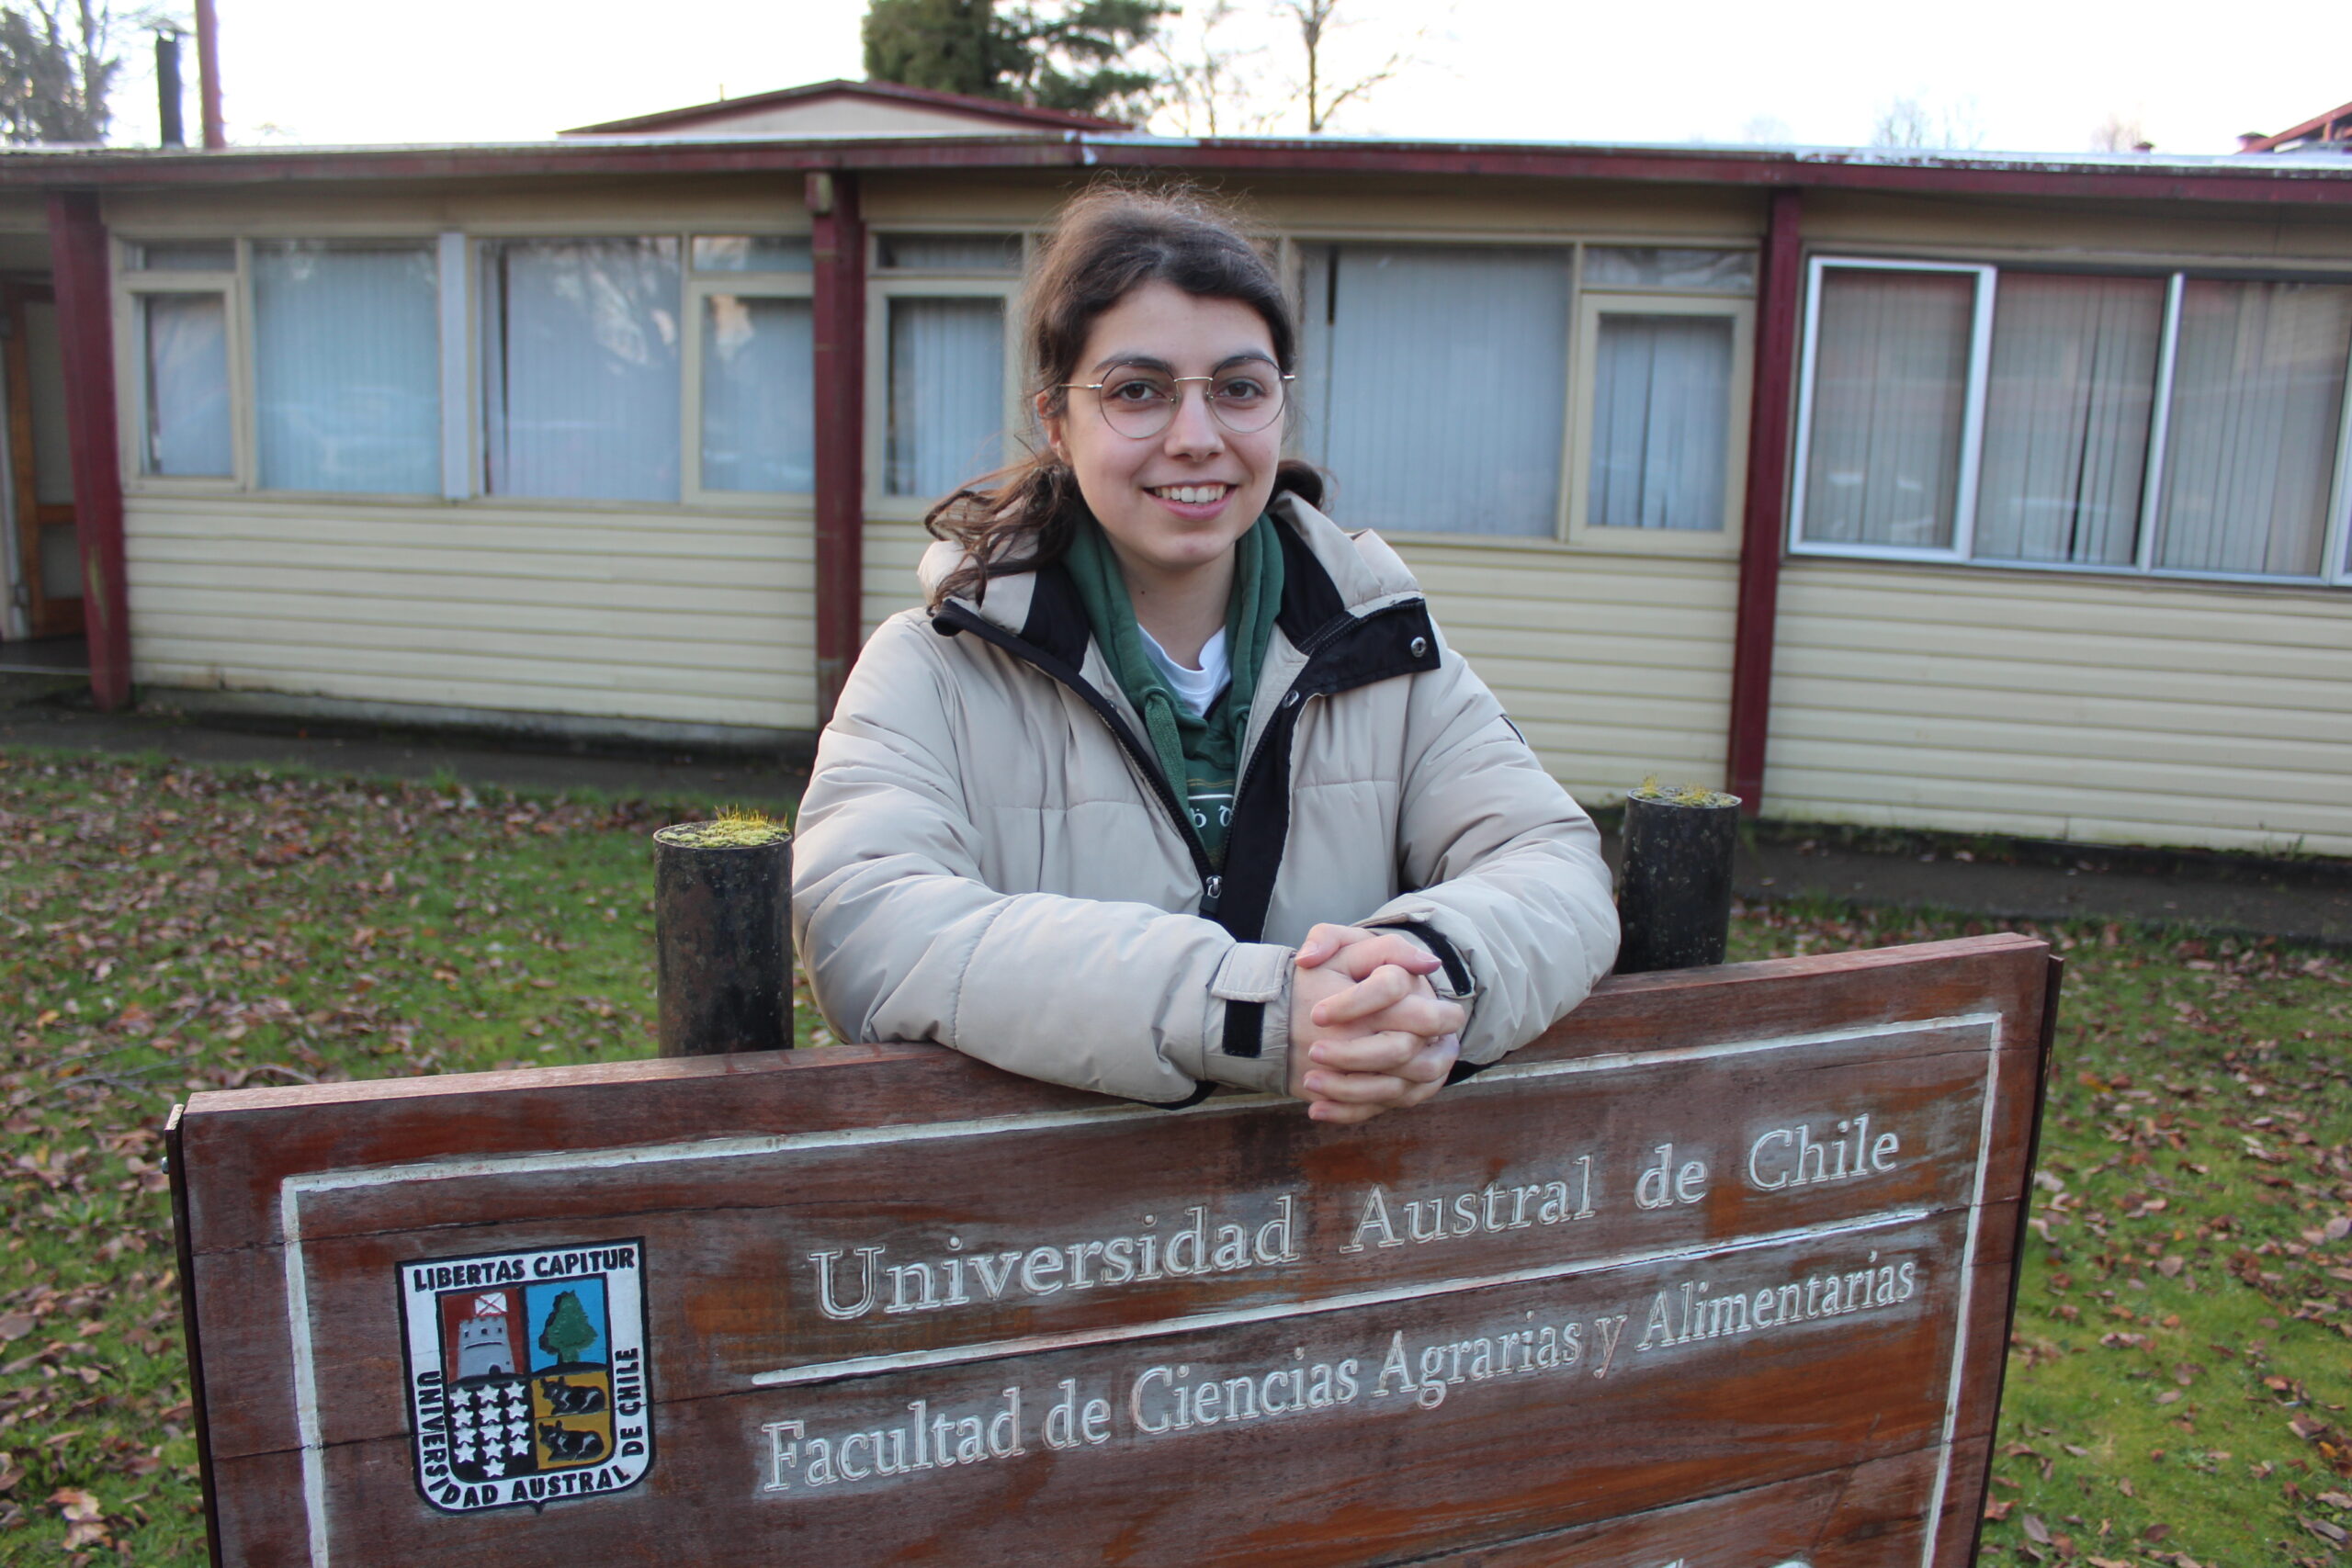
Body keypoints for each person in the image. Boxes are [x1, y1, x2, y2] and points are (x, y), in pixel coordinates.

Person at [791, 186, 1617, 1122]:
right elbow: (867, 924)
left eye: (1239, 388)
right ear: (1056, 421)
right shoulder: (933, 669)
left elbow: (1553, 866)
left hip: (1339, 1212)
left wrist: (1423, 979)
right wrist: (1242, 1014)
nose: (1196, 438)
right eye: (1136, 391)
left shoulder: (1388, 654)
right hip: (1057, 1215)